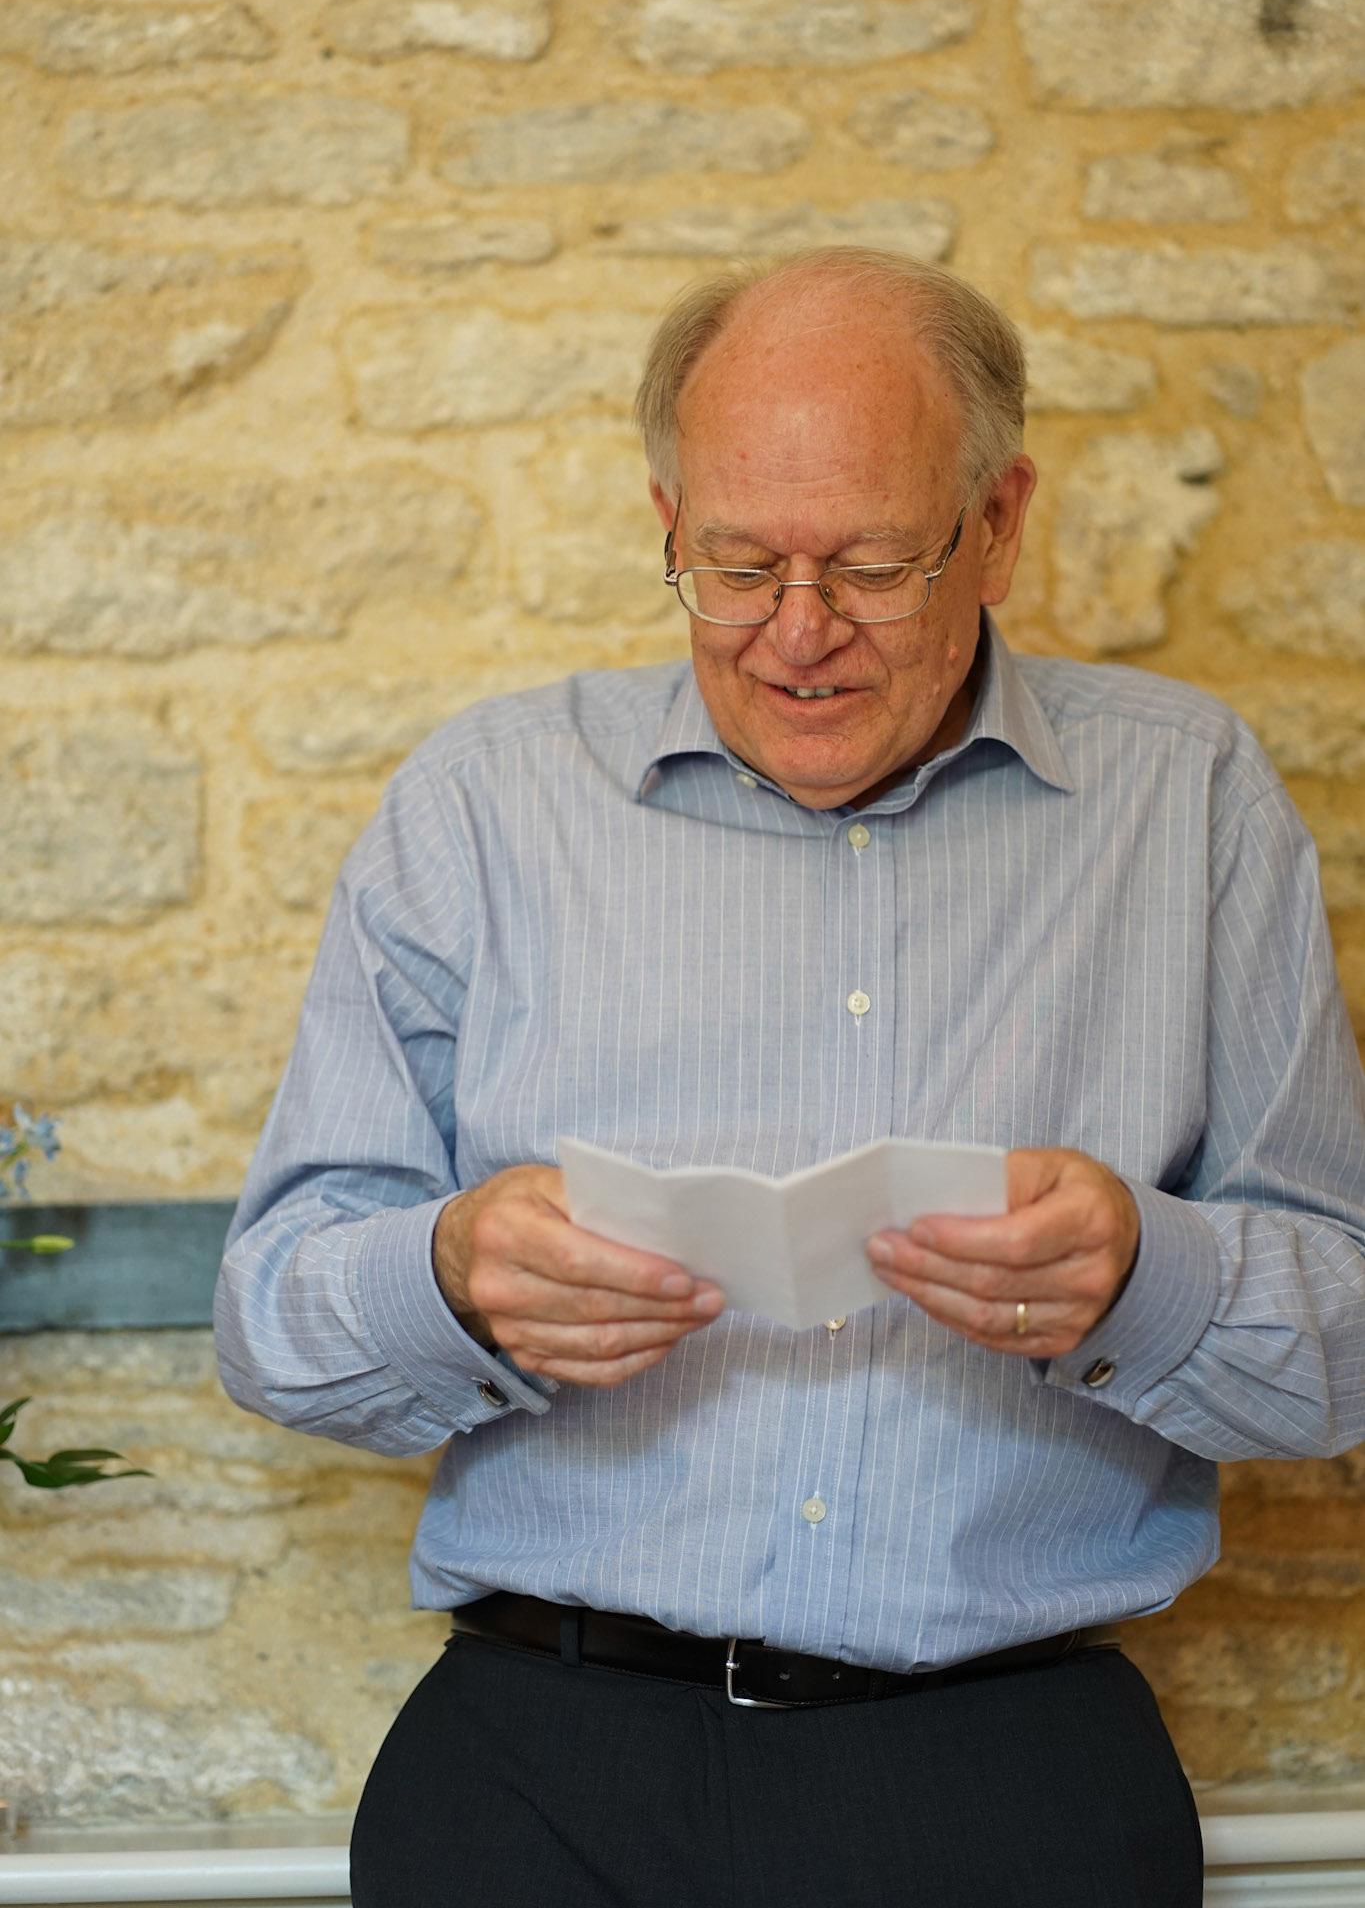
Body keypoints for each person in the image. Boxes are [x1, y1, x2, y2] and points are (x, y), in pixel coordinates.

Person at [215, 248, 1365, 1908]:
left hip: (1011, 1783)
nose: (798, 634)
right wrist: (449, 1278)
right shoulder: (480, 809)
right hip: (541, 1775)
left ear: (998, 524)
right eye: (738, 566)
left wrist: (1147, 1277)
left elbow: (1344, 1348)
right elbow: (269, 1322)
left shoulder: (1190, 802)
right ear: (666, 525)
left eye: (873, 566)